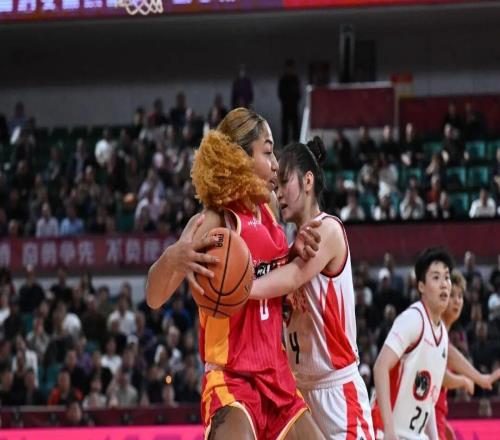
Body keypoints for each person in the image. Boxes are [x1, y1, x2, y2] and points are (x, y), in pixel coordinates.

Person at [146, 108, 324, 440]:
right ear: (239, 159)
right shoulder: (216, 220)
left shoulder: (270, 208)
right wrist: (173, 258)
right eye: (267, 152)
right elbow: (154, 297)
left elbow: (268, 274)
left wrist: (293, 252)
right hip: (232, 378)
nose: (275, 164)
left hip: (277, 375)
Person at [249, 137, 374, 439]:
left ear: (308, 181)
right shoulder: (288, 247)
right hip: (298, 393)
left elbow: (293, 276)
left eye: (284, 182)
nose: (278, 193)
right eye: (276, 186)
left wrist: (241, 289)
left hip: (337, 393)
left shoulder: (327, 229)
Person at [371, 248, 453, 440]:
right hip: (385, 432)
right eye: (436, 277)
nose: (444, 284)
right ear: (421, 286)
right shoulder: (413, 319)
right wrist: (389, 430)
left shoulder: (443, 335)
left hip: (413, 435)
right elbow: (380, 367)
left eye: (447, 277)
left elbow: (428, 399)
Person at [435, 271, 500, 440]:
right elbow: (437, 375)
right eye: (452, 295)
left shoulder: (442, 337)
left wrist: (480, 378)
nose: (457, 301)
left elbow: (449, 353)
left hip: (430, 414)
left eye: (460, 296)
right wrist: (463, 381)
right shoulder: (432, 329)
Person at [278, 59, 301, 145]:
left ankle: (296, 145)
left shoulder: (295, 79)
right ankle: (285, 146)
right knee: (285, 129)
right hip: (286, 107)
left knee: (295, 128)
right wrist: (286, 100)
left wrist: (294, 100)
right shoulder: (283, 80)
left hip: (294, 107)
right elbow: (280, 93)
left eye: (291, 68)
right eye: (288, 68)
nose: (290, 70)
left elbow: (299, 93)